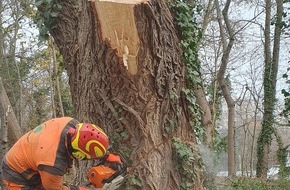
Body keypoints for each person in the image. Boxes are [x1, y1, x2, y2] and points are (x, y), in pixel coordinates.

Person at [1, 116, 122, 190]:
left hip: (33, 155)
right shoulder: (53, 164)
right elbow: (54, 189)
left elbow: (88, 139)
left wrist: (106, 155)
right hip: (16, 173)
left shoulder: (71, 124)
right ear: (78, 154)